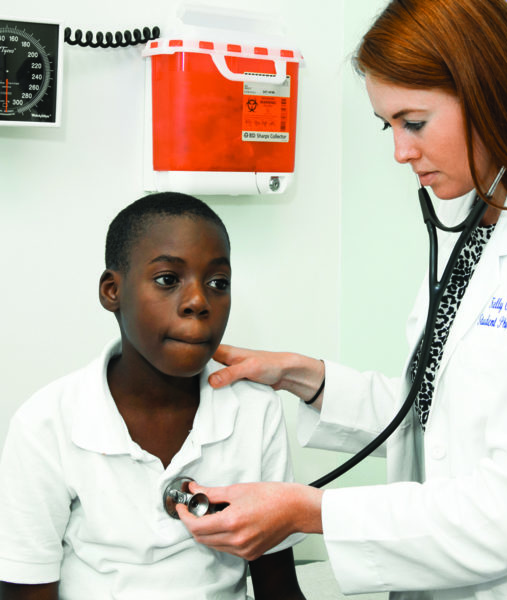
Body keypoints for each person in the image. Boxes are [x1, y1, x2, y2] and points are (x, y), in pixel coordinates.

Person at [173, 1, 507, 599]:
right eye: (388, 126)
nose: (400, 152)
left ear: (489, 95)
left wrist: (309, 512)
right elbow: (436, 416)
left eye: (415, 122)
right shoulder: (476, 225)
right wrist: (303, 376)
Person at [0, 192, 306, 600]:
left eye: (218, 283)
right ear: (112, 291)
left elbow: (278, 586)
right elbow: (27, 588)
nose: (198, 301)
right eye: (167, 279)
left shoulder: (256, 409)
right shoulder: (46, 423)